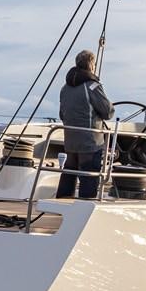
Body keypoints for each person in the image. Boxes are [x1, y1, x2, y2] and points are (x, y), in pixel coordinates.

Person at [57, 49, 114, 199]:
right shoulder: (92, 86)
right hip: (90, 142)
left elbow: (62, 114)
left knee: (69, 172)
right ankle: (85, 206)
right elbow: (108, 112)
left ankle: (61, 203)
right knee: (89, 174)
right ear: (91, 66)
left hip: (70, 141)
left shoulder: (65, 89)